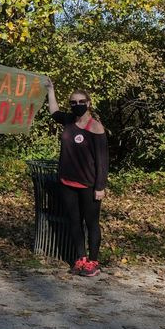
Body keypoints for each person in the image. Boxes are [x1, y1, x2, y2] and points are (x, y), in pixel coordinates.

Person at [45, 80, 109, 277]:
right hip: (67, 182)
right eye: (73, 102)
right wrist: (50, 90)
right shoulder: (69, 120)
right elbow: (54, 112)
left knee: (91, 222)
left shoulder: (96, 127)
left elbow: (102, 160)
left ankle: (94, 261)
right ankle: (80, 258)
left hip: (88, 184)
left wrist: (100, 186)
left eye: (81, 101)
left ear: (88, 103)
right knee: (74, 221)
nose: (77, 105)